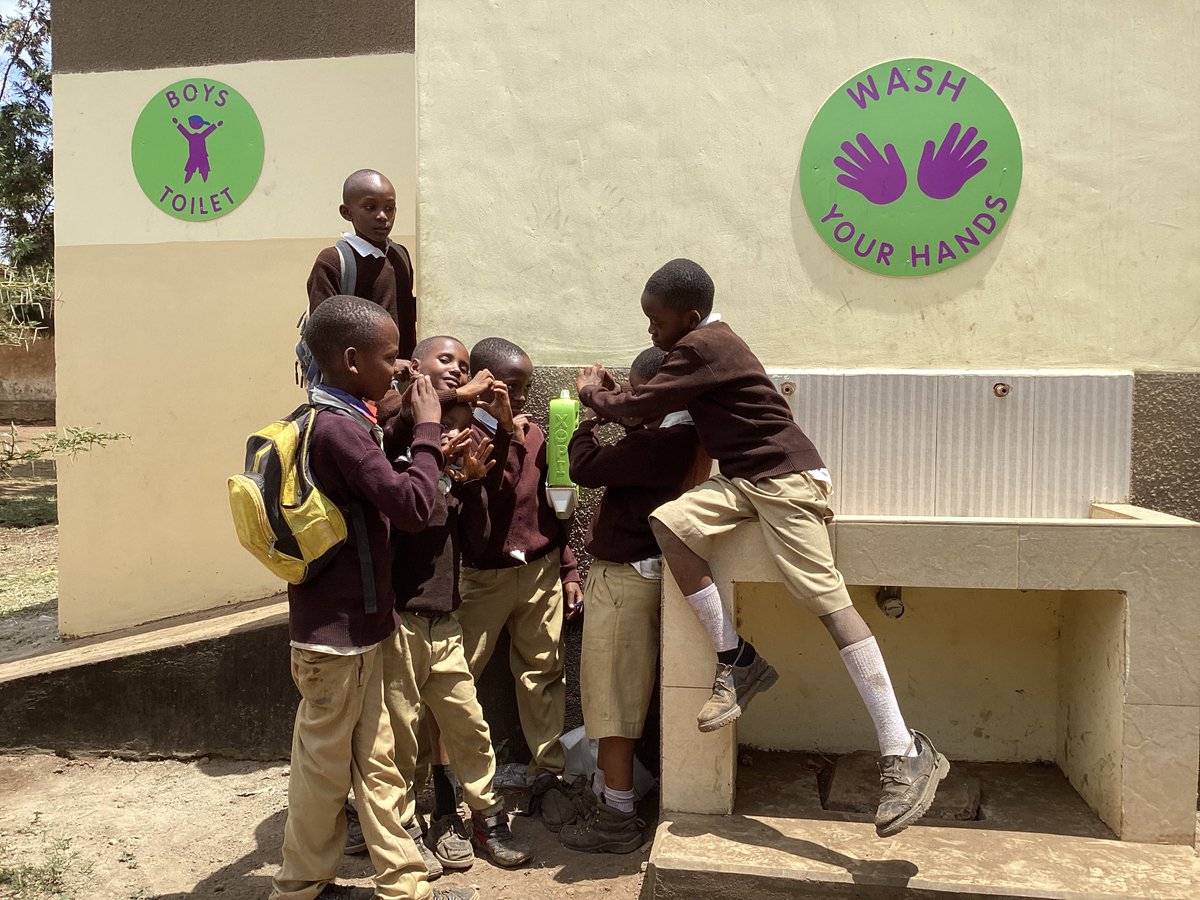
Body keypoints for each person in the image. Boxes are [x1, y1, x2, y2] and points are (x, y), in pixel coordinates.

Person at [575, 259, 949, 839]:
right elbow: (651, 403)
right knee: (670, 523)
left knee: (826, 602)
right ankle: (738, 661)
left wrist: (591, 398)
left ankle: (904, 752)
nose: (650, 330)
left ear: (689, 317)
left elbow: (639, 408)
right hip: (744, 481)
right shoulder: (700, 348)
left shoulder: (704, 345)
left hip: (787, 479)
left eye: (655, 319)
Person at [270, 295, 478, 900]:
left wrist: (405, 418)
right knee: (323, 768)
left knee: (378, 758)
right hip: (334, 640)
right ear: (352, 359)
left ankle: (404, 883)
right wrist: (431, 424)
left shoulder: (336, 418)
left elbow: (373, 458)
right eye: (391, 358)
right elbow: (413, 506)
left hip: (361, 628)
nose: (400, 369)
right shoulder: (336, 431)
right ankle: (302, 884)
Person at [381, 336, 533, 877]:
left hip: (442, 617)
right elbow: (403, 507)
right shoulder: (394, 434)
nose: (458, 370)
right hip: (397, 619)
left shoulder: (454, 442)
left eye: (466, 365)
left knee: (469, 725)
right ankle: (406, 834)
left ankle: (485, 821)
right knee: (399, 734)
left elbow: (479, 538)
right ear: (414, 366)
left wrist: (469, 485)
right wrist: (436, 456)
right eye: (446, 360)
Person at [555, 347, 703, 853]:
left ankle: (616, 815)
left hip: (625, 581)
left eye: (637, 394)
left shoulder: (665, 442)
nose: (626, 402)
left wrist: (587, 413)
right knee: (619, 692)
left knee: (614, 698)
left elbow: (585, 466)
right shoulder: (671, 436)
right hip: (636, 576)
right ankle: (611, 793)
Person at [455, 337, 583, 823]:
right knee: (458, 675)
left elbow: (557, 502)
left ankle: (546, 773)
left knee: (545, 671)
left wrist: (567, 567)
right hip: (482, 576)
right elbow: (493, 494)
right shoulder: (463, 437)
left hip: (539, 571)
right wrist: (504, 432)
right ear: (482, 384)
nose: (521, 399)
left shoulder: (535, 435)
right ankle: (442, 780)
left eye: (526, 389)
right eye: (510, 388)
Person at [302, 170, 416, 391]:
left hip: (399, 383)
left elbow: (407, 321)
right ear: (347, 212)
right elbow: (325, 336)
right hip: (353, 388)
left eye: (389, 208)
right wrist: (387, 366)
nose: (383, 216)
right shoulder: (334, 261)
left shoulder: (399, 256)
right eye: (370, 207)